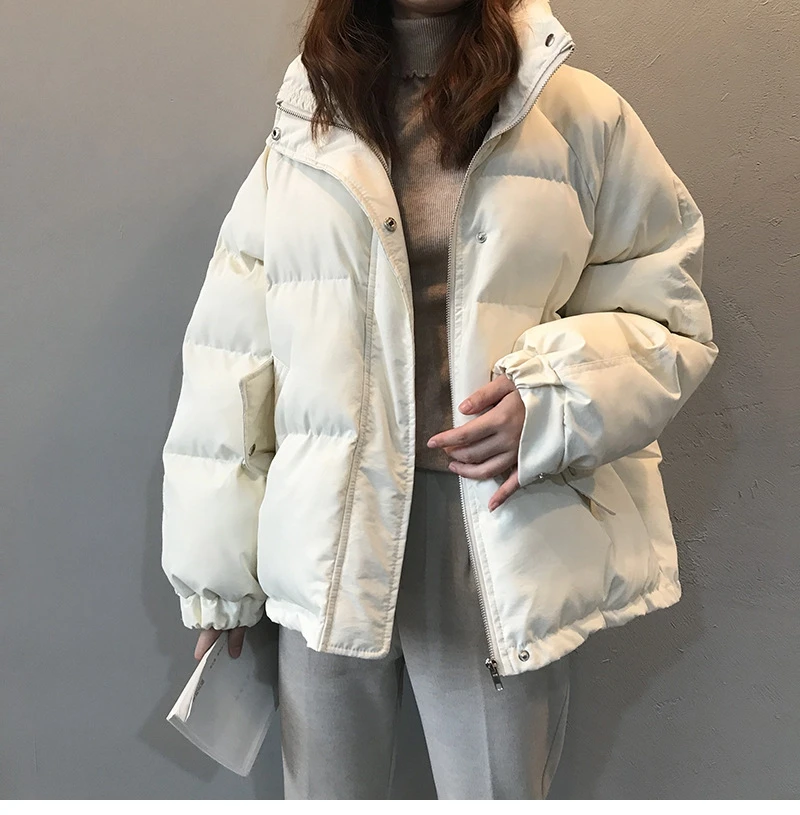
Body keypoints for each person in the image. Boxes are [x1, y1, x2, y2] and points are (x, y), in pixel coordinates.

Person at [160, 0, 719, 800]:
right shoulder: (308, 121)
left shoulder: (575, 115)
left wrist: (552, 399)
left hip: (493, 529)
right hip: (327, 533)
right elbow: (232, 353)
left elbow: (668, 316)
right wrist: (216, 574)